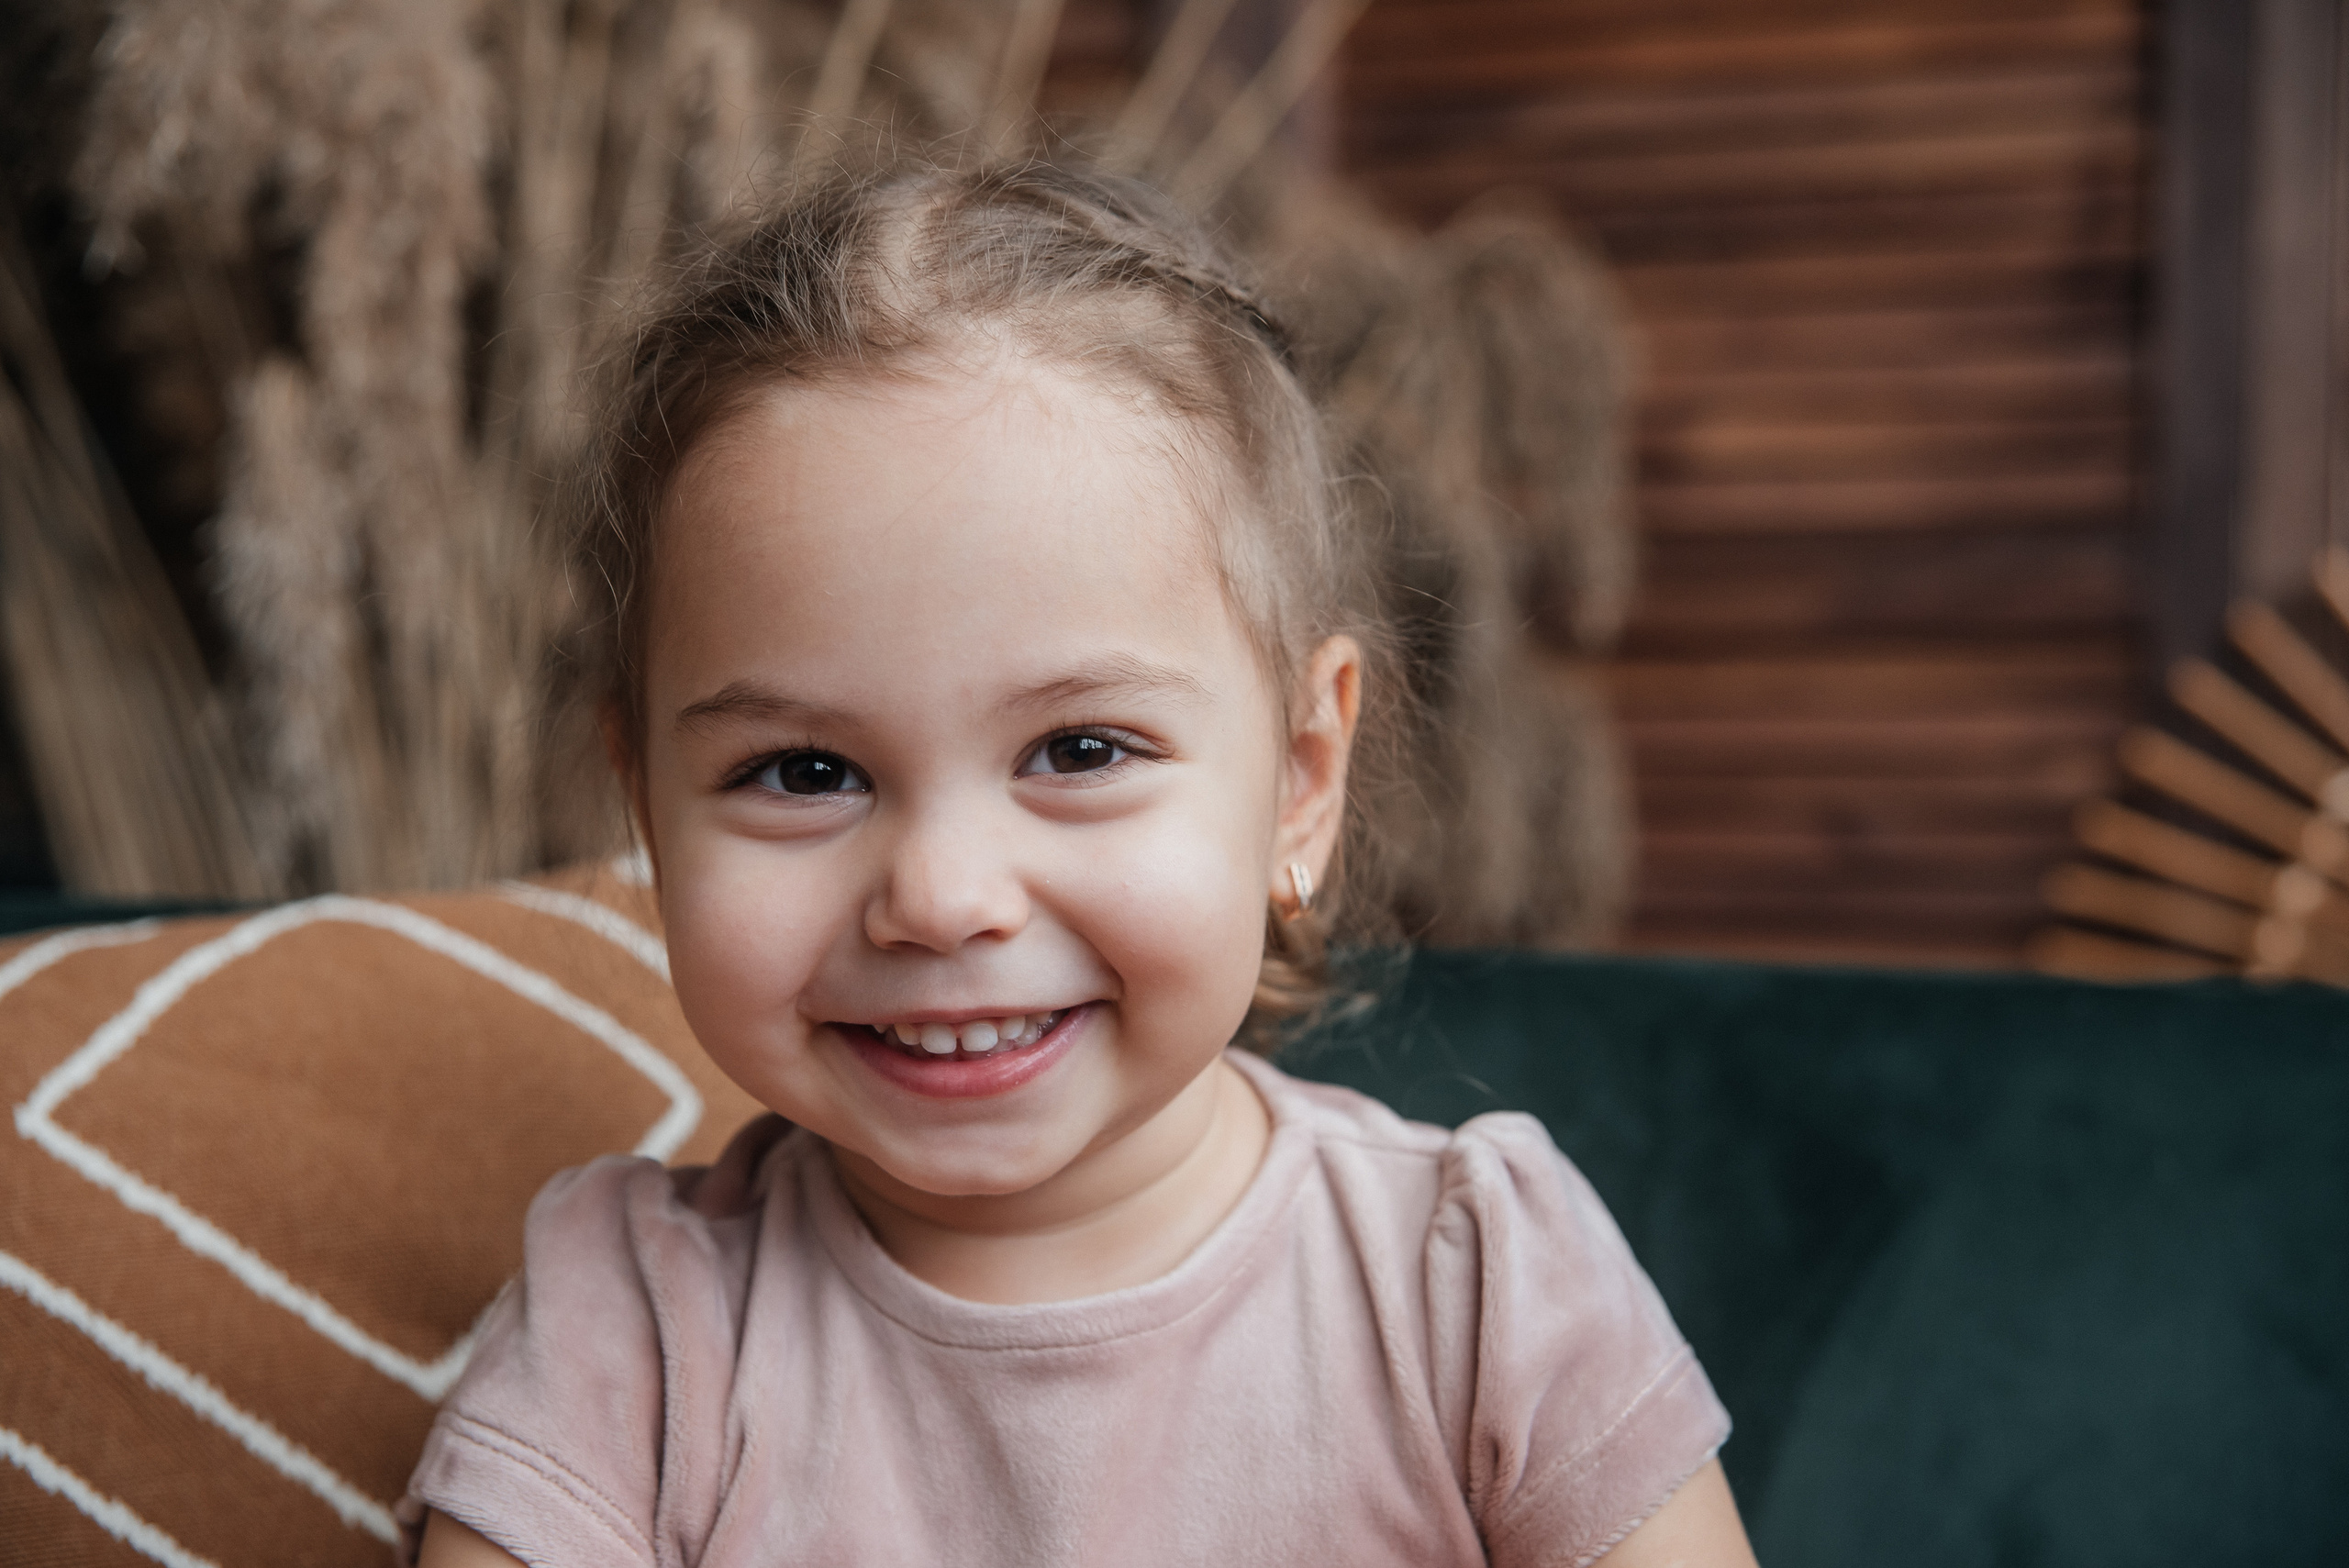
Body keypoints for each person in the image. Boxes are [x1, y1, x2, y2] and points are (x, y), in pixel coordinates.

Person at [404, 159, 1755, 1568]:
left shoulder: (1476, 1288)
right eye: (804, 771)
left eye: (1080, 750)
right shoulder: (636, 1336)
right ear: (648, 809)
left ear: (1300, 781)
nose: (940, 895)